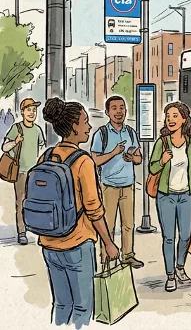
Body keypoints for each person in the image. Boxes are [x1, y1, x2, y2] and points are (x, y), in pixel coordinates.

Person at [37, 98, 120, 327]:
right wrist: (108, 243)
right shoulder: (83, 162)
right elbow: (94, 210)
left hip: (49, 244)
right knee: (83, 307)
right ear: (74, 128)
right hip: (77, 244)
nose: (89, 127)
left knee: (61, 304)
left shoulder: (45, 157)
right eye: (85, 122)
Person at [149, 101, 191, 293]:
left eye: (174, 116)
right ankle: (170, 275)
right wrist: (162, 161)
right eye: (168, 116)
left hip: (186, 196)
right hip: (166, 196)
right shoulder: (161, 143)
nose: (170, 120)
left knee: (186, 236)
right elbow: (152, 167)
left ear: (183, 119)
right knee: (169, 237)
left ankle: (180, 266)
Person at [90, 96, 144, 268]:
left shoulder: (130, 132)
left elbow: (139, 158)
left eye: (121, 108)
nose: (119, 112)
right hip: (108, 186)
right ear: (107, 112)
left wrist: (132, 158)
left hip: (128, 184)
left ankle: (128, 255)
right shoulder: (101, 134)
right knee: (108, 226)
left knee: (128, 224)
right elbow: (94, 160)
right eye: (114, 108)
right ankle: (106, 258)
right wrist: (113, 153)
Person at [2, 98, 47, 245]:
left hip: (35, 172)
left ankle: (37, 228)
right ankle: (22, 232)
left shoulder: (38, 130)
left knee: (36, 201)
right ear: (22, 112)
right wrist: (16, 141)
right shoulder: (17, 128)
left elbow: (42, 148)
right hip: (20, 172)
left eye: (34, 110)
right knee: (20, 202)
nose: (32, 113)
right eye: (29, 110)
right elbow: (4, 147)